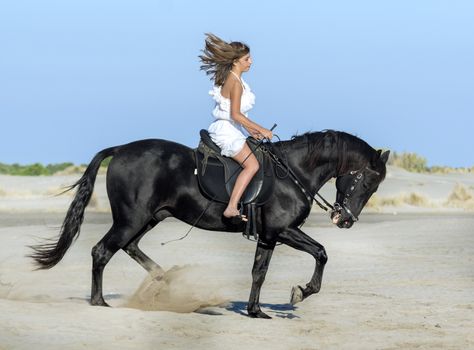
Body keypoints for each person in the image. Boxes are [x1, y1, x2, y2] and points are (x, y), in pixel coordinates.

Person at [199, 33, 273, 224]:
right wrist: (262, 129)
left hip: (232, 129)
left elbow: (238, 118)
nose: (251, 61)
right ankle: (231, 207)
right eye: (247, 59)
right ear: (235, 61)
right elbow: (236, 115)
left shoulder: (235, 79)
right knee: (252, 165)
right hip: (227, 131)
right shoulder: (235, 83)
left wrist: (251, 131)